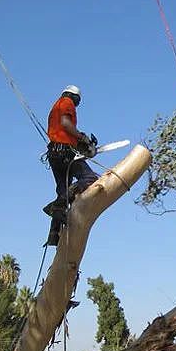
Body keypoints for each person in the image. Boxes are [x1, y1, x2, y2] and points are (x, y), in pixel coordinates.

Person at [43, 85, 99, 245]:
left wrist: (81, 146)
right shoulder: (66, 102)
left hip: (54, 154)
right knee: (90, 178)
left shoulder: (55, 107)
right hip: (65, 153)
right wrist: (83, 138)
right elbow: (66, 124)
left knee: (63, 190)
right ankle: (57, 205)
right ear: (75, 97)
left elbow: (63, 131)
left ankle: (54, 234)